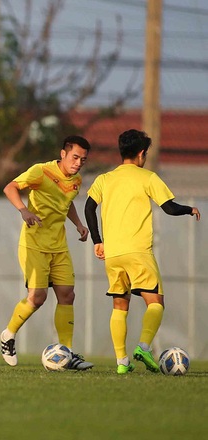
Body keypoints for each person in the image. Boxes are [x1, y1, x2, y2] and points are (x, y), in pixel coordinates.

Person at [84, 129, 200, 374]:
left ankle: (121, 363)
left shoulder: (105, 179)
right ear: (141, 153)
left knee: (119, 305)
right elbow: (168, 207)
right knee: (156, 302)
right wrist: (189, 209)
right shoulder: (147, 177)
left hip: (113, 254)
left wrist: (97, 240)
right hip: (138, 251)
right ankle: (144, 346)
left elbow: (89, 207)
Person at [0, 135, 93, 370]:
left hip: (58, 245)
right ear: (63, 154)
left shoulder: (77, 180)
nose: (79, 162)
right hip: (34, 243)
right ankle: (8, 336)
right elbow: (9, 187)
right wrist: (23, 210)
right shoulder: (41, 171)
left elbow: (67, 201)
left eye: (83, 159)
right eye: (75, 157)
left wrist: (78, 224)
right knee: (37, 298)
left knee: (67, 295)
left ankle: (67, 353)